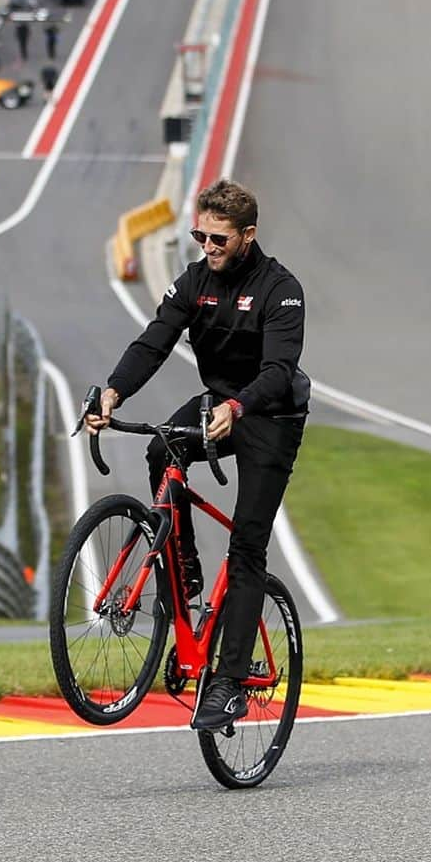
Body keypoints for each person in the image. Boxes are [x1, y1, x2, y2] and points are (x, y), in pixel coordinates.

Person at [84, 179, 309, 731]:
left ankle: (229, 684)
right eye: (198, 236)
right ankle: (184, 585)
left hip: (270, 412)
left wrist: (239, 405)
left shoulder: (281, 289)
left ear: (248, 236)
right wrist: (113, 392)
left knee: (247, 545)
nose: (207, 248)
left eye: (218, 239)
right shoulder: (194, 281)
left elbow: (278, 371)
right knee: (164, 449)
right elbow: (154, 341)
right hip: (218, 402)